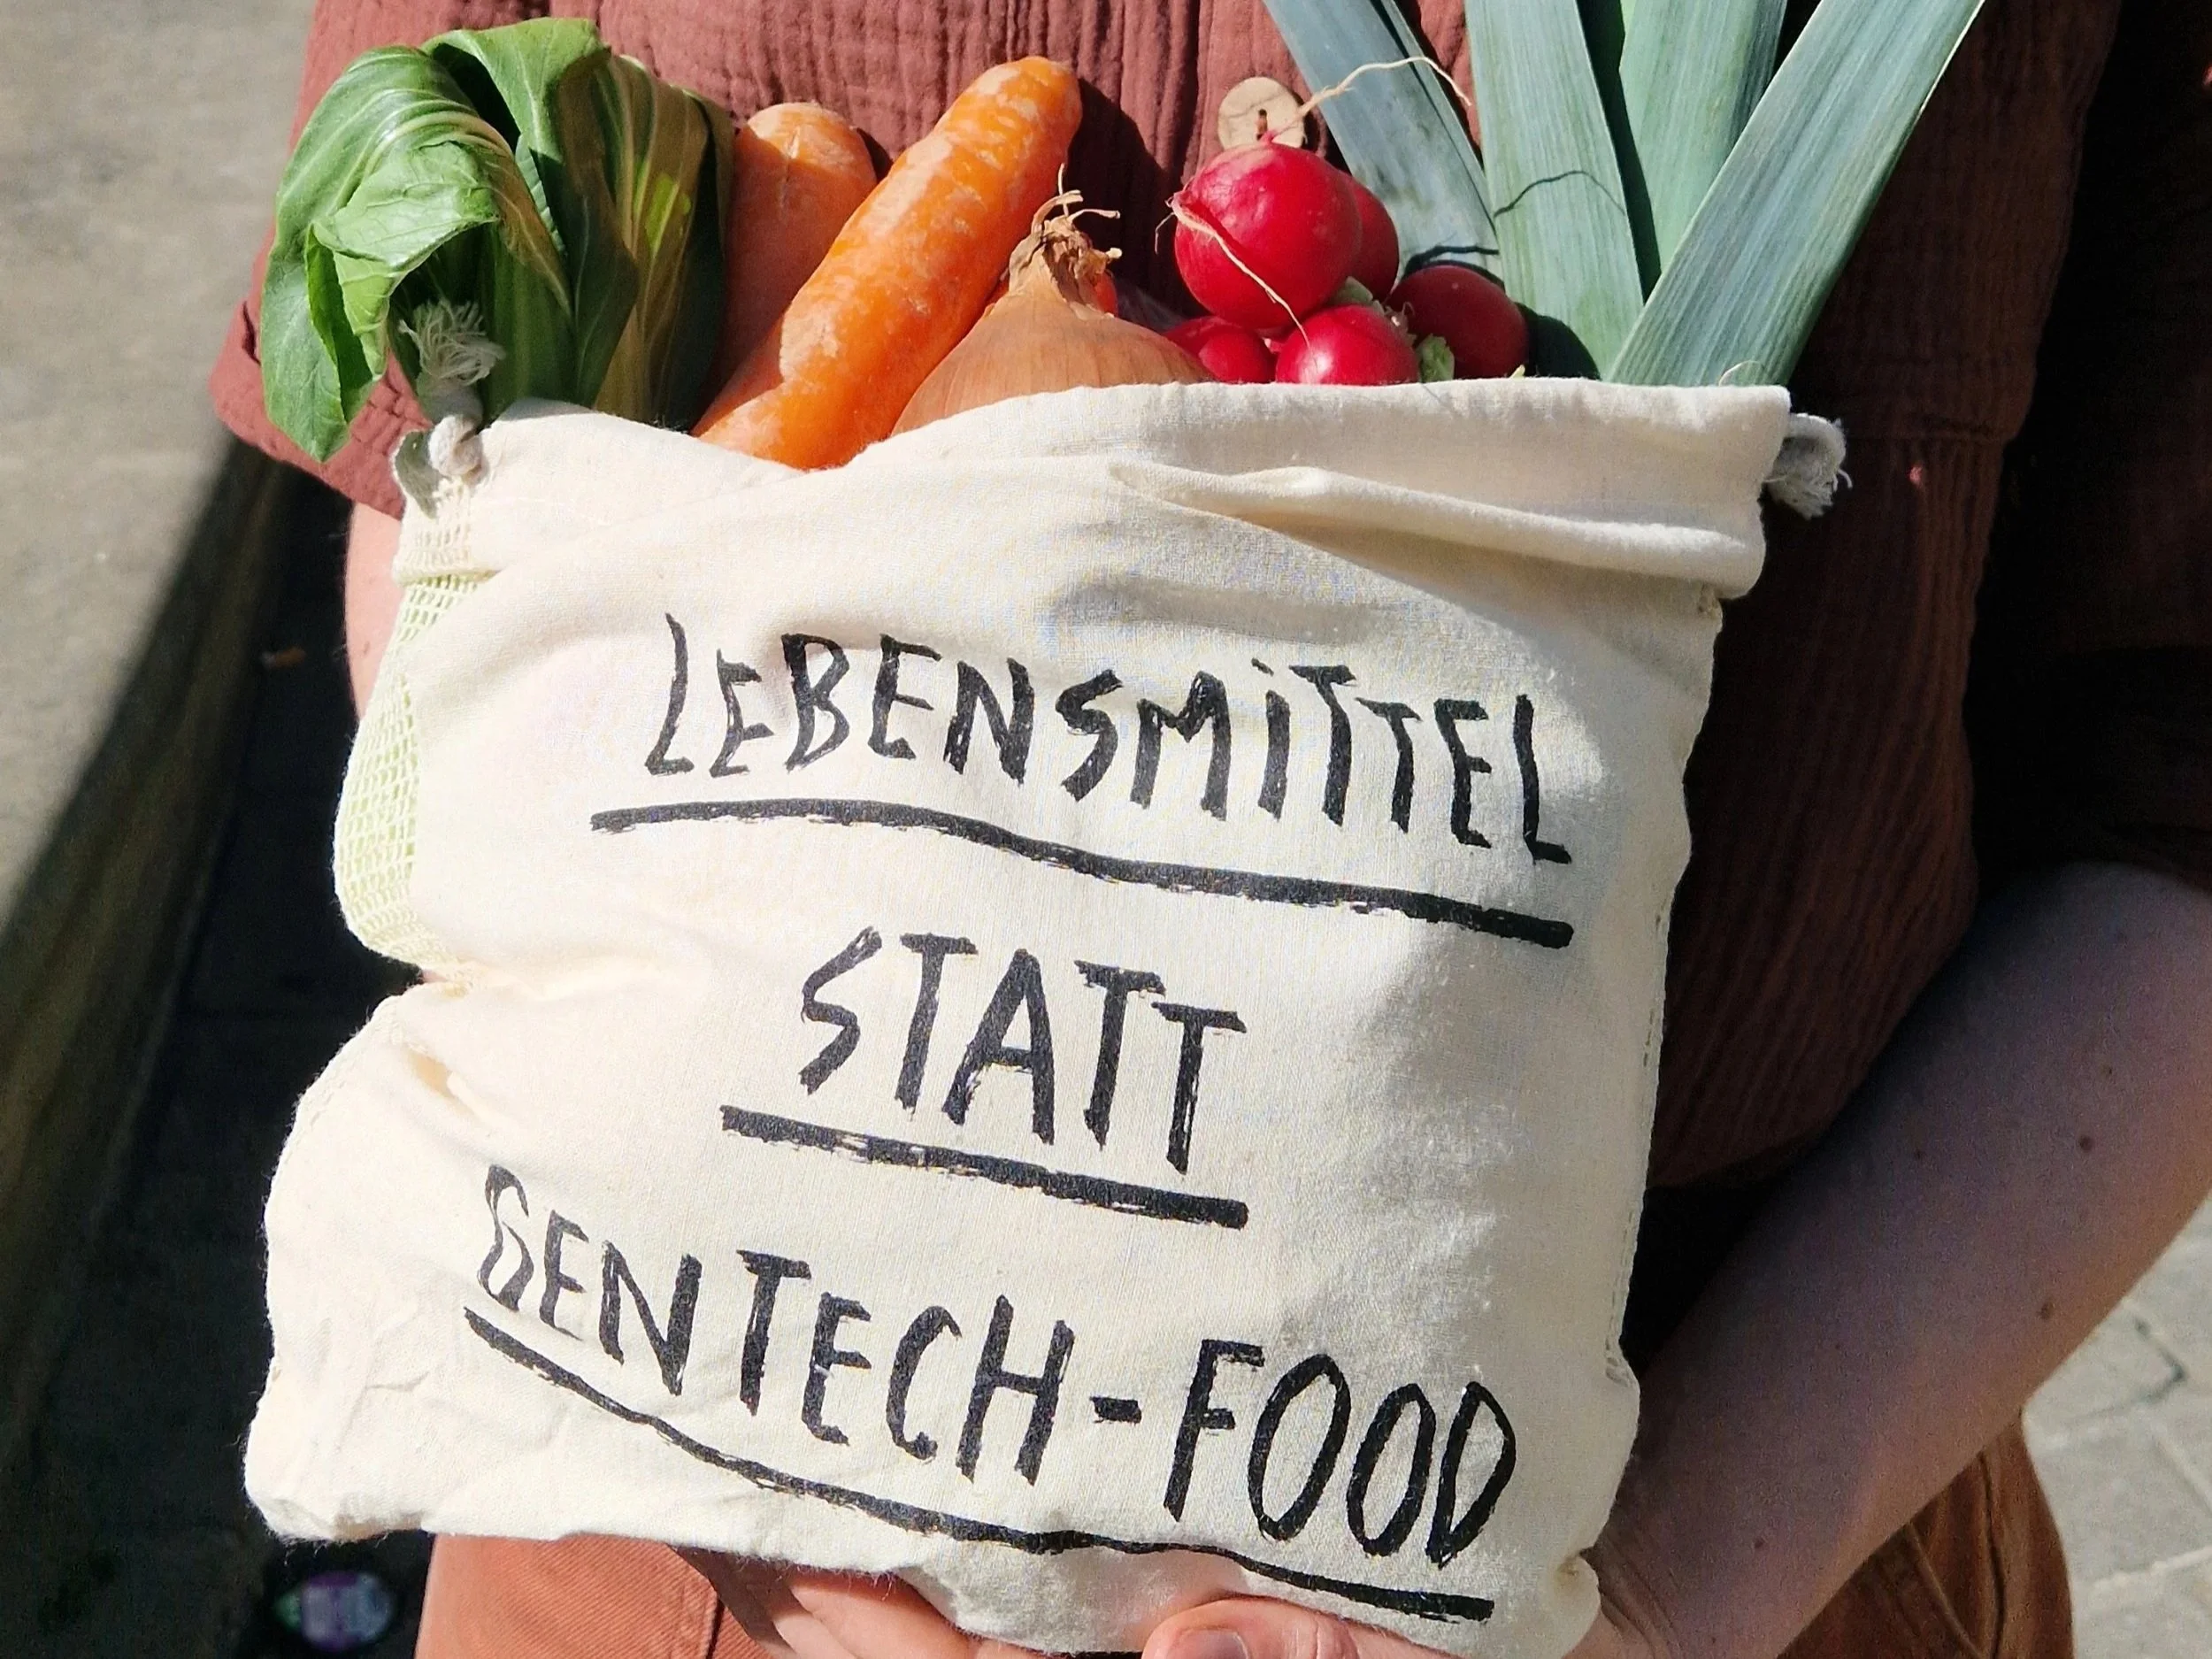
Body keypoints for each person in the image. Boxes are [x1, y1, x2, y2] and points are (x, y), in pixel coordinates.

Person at [210, 3, 2212, 1655]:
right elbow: (440, 490)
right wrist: (762, 1473)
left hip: (1725, 1514)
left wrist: (1663, 1600)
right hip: (670, 1522)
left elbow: (2172, 788)